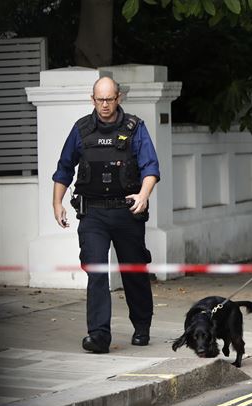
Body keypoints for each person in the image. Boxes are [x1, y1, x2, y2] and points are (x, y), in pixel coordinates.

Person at [52, 76, 160, 354]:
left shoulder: (135, 128)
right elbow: (64, 168)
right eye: (99, 99)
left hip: (127, 211)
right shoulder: (81, 130)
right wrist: (57, 203)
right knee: (96, 272)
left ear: (118, 98)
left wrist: (144, 194)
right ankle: (99, 335)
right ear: (93, 99)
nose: (104, 105)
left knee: (133, 270)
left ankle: (142, 326)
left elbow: (151, 167)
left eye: (109, 99)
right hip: (93, 215)